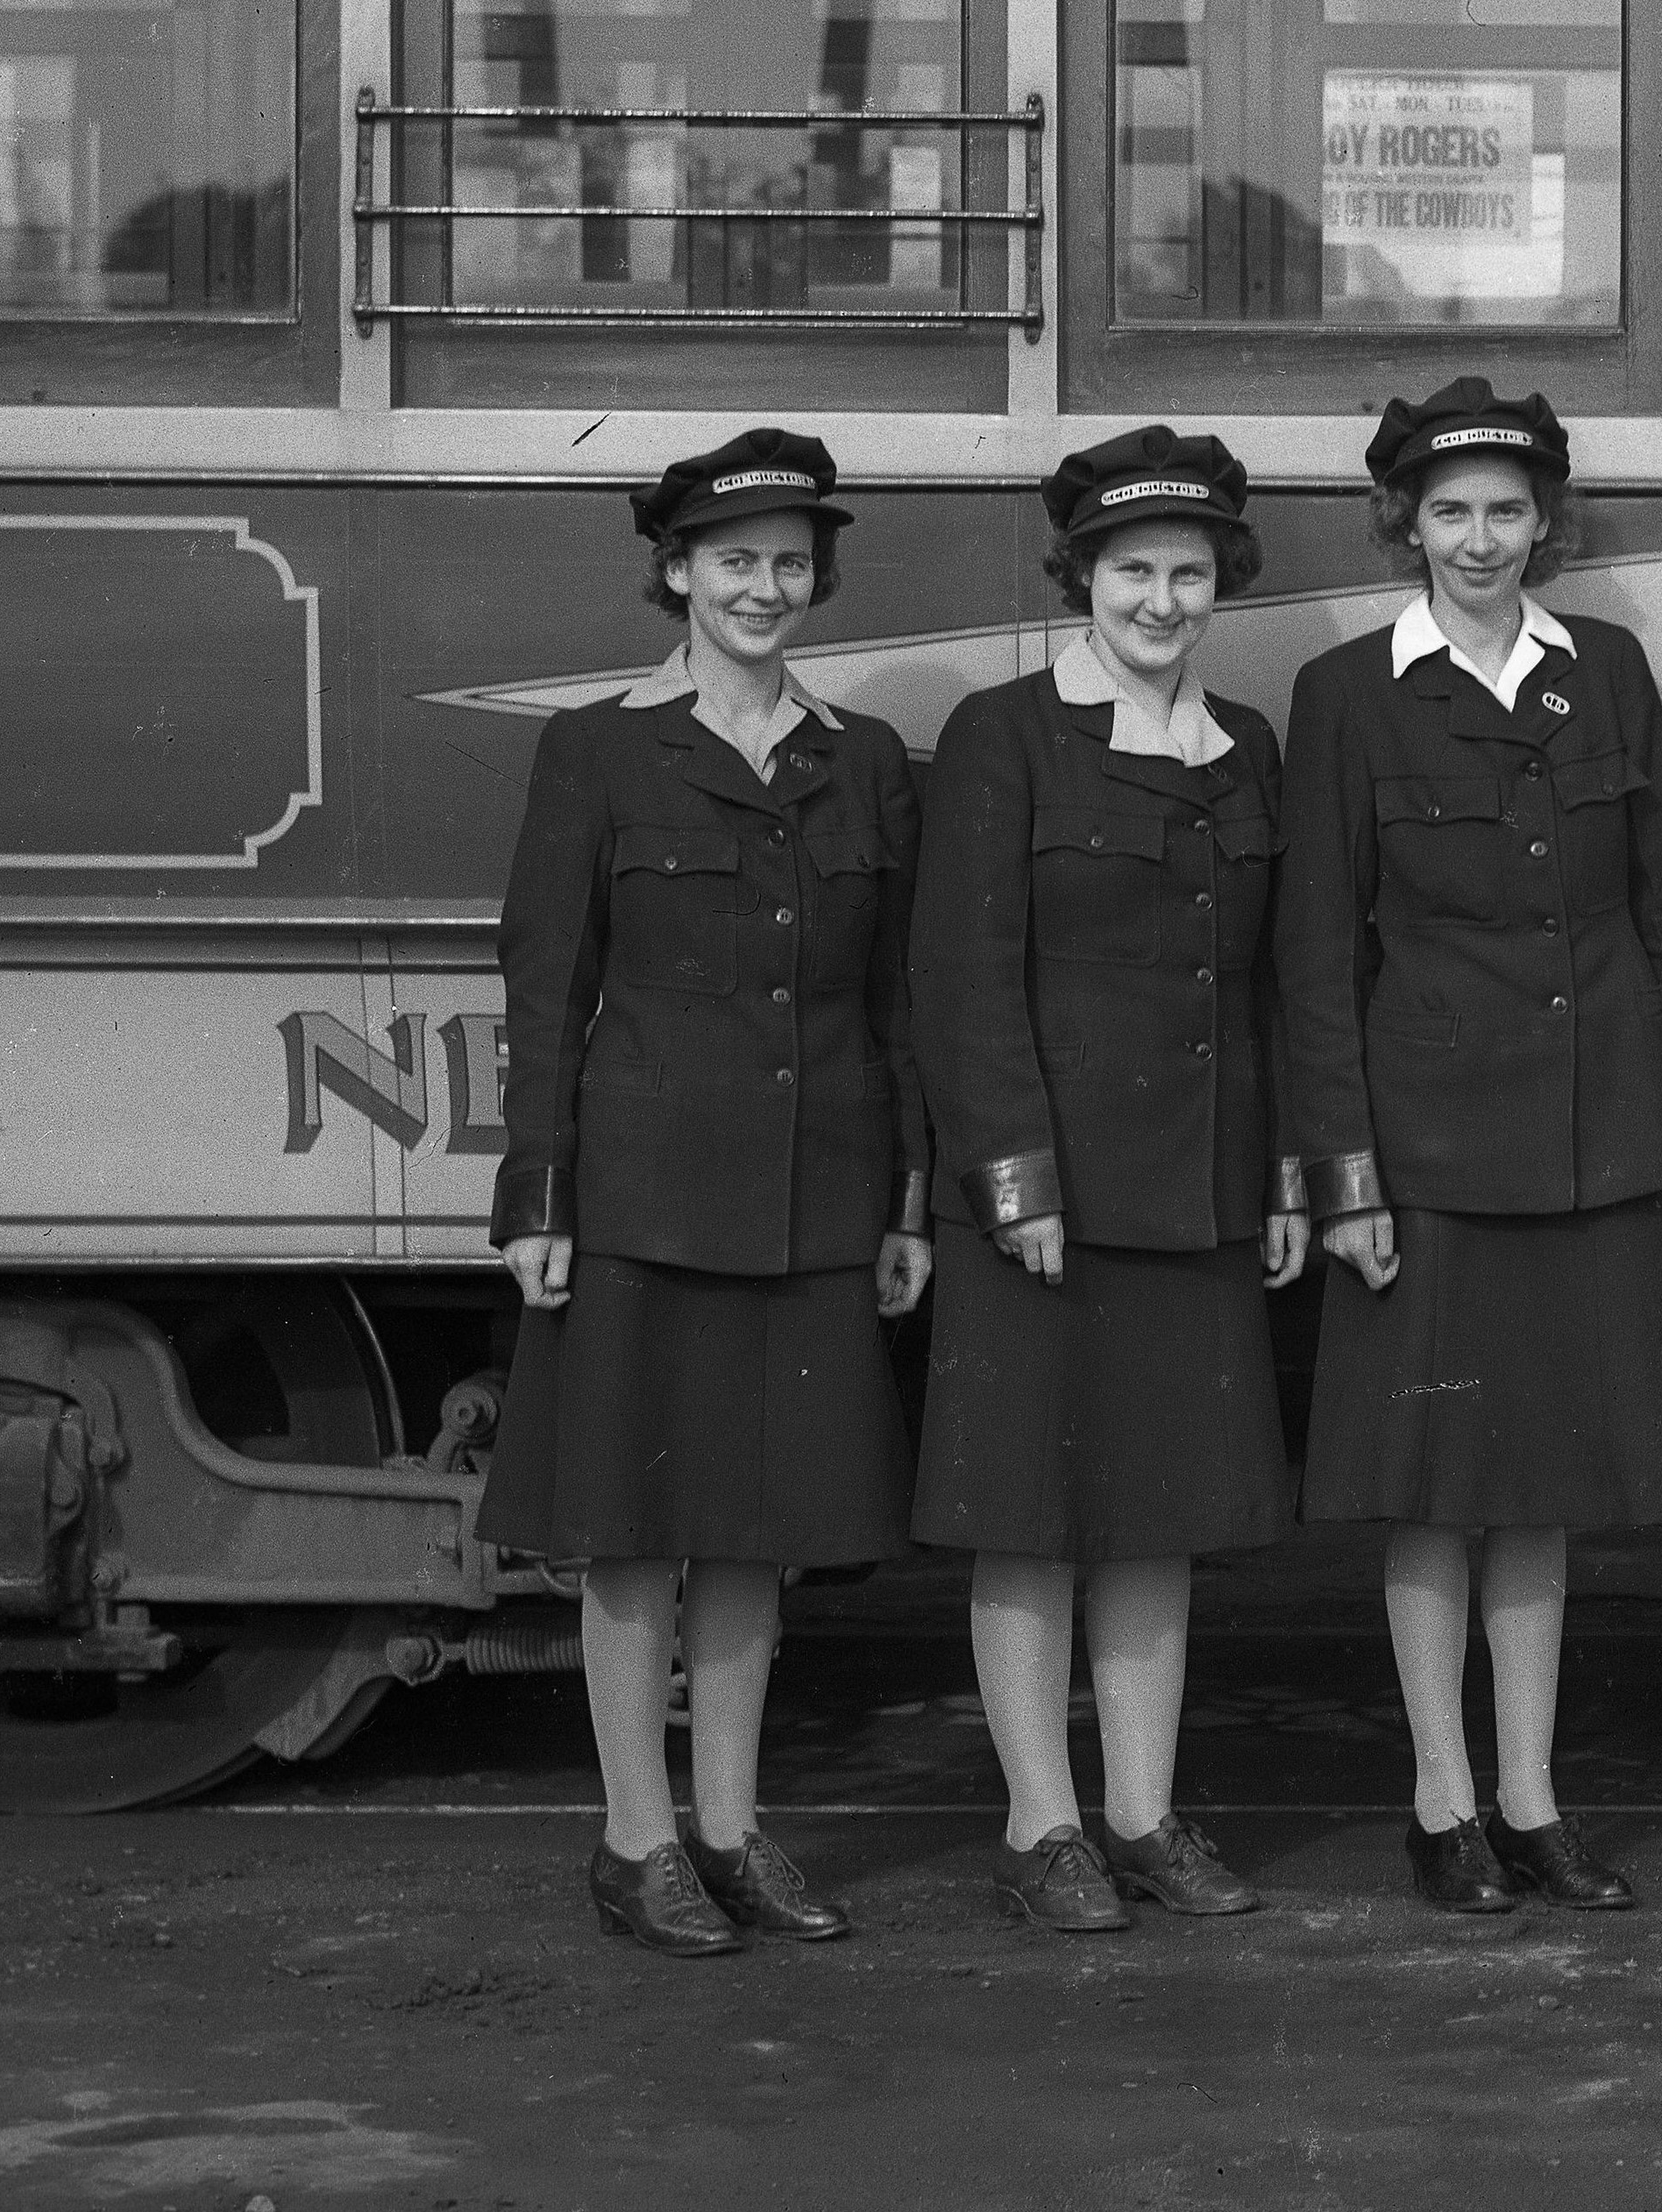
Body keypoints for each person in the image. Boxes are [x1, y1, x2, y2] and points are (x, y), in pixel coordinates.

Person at [1280, 378, 1662, 1915]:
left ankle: (1531, 1799)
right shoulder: (1346, 695)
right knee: (1431, 1484)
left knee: (1538, 1486)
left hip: (1593, 1142)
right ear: (1405, 522)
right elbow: (1319, 955)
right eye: (1451, 511)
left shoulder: (1605, 670)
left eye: (1508, 510)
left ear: (1550, 523)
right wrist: (1343, 1175)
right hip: (1429, 1155)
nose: (1480, 538)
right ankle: (1438, 1798)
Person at [480, 429, 928, 1957]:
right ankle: (635, 1838)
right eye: (733, 558)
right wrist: (536, 1198)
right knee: (631, 1527)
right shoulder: (597, 748)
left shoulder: (859, 757)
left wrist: (906, 1206)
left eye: (791, 560)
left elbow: (894, 1006)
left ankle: (731, 1832)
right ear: (674, 570)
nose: (764, 585)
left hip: (816, 1198)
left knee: (757, 1527)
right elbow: (549, 986)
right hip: (643, 1195)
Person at [915, 425, 1303, 1936]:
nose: (1161, 598)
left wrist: (1275, 1170)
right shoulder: (1003, 733)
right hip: (1048, 1193)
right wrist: (1015, 1177)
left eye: (1189, 571)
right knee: (1030, 1509)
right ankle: (1040, 1821)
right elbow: (964, 979)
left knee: (1159, 1512)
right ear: (1083, 576)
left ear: (1221, 585)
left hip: (1195, 1187)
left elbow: (1261, 987)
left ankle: (1140, 1813)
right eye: (1133, 569)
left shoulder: (1247, 746)